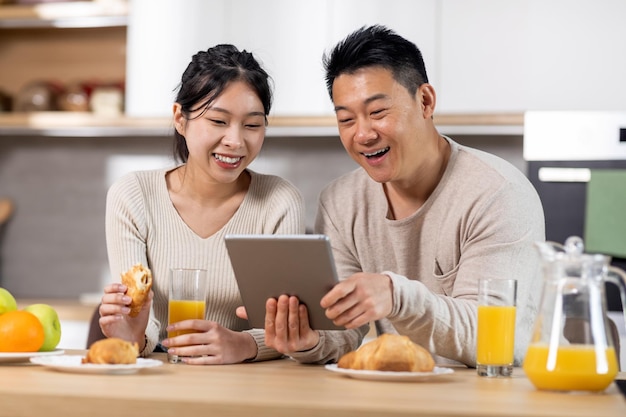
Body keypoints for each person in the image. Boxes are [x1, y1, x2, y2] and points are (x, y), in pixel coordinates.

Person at [262, 25, 545, 367]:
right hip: (397, 392)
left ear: (425, 101)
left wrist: (397, 296)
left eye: (378, 112)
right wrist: (308, 340)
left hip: (495, 397)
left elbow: (495, 341)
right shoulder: (340, 202)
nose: (363, 134)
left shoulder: (498, 194)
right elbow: (343, 331)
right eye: (346, 119)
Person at [99, 44, 306, 364]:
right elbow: (139, 318)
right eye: (219, 121)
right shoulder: (133, 195)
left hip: (251, 383)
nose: (236, 141)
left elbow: (286, 326)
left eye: (252, 125)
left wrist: (243, 344)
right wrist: (134, 334)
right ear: (180, 118)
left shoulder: (279, 202)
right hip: (162, 377)